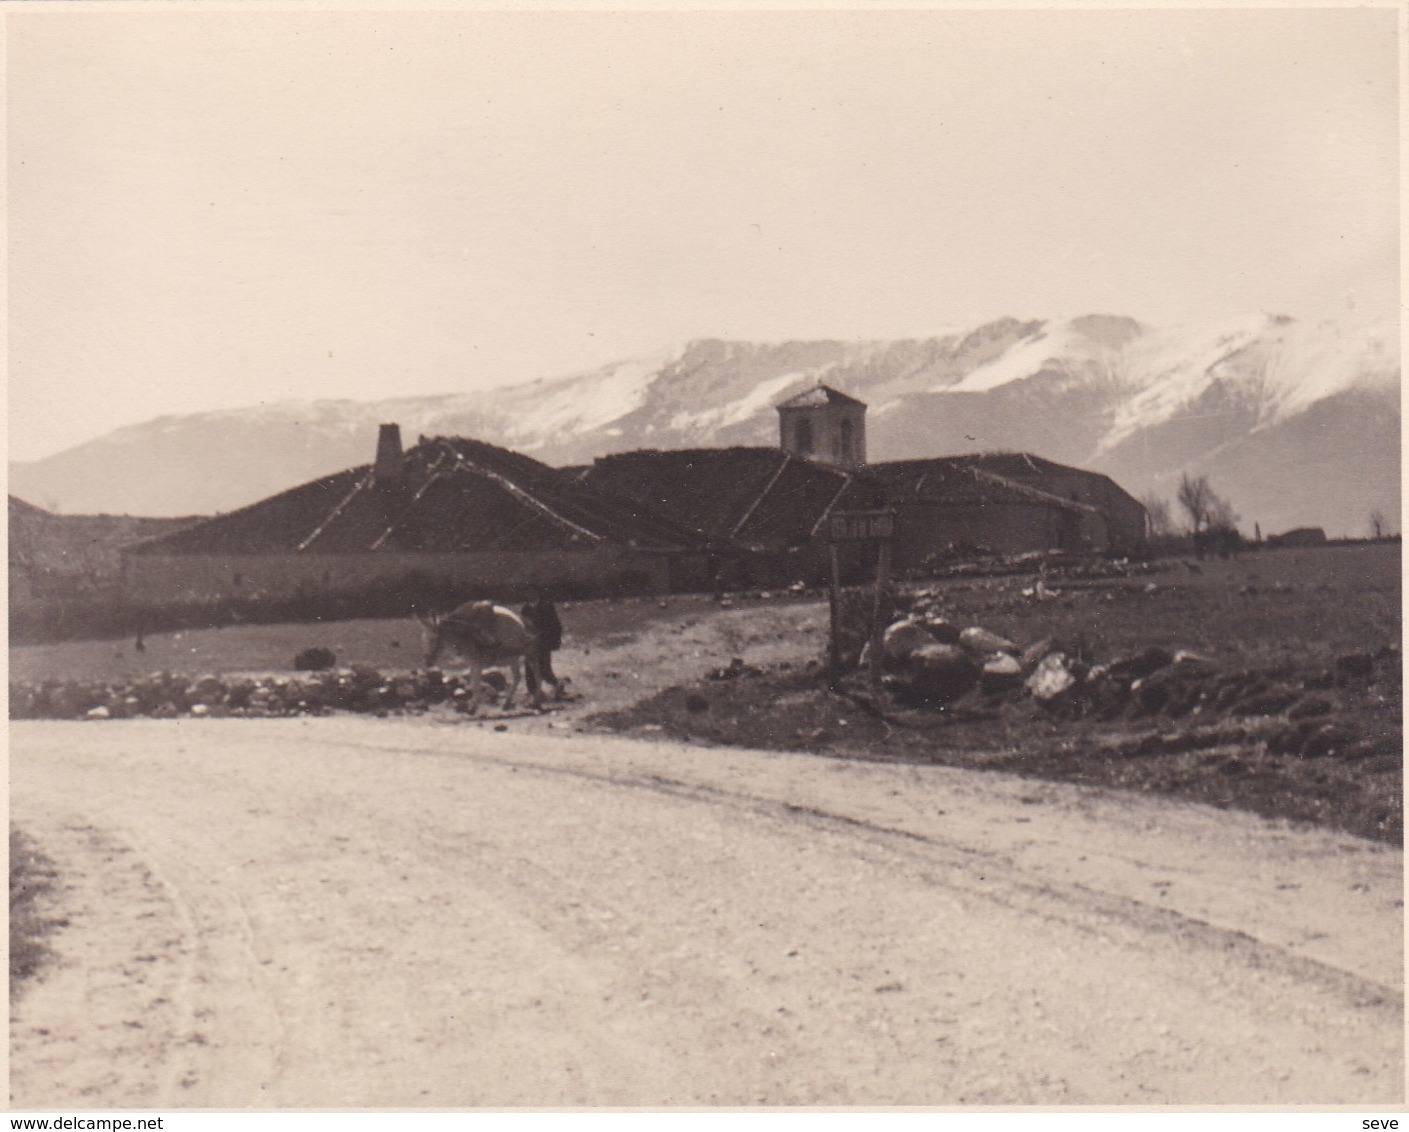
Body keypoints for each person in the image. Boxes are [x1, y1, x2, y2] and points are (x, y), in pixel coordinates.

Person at [520, 588, 565, 699]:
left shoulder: (547, 606)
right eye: (528, 592)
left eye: (532, 592)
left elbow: (556, 626)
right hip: (530, 643)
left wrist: (553, 642)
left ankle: (557, 685)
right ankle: (534, 691)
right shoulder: (525, 608)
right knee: (529, 667)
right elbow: (523, 626)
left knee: (545, 669)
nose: (530, 594)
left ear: (538, 593)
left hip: (544, 642)